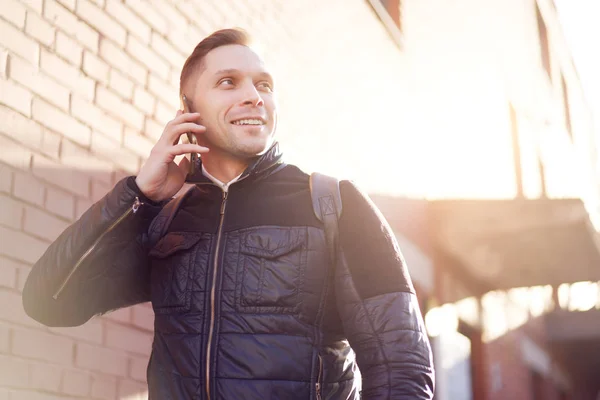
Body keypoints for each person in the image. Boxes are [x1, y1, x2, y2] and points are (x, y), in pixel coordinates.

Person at [22, 28, 434, 399]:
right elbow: (49, 300)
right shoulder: (165, 218)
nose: (254, 95)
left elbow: (403, 371)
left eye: (264, 85)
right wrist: (138, 196)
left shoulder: (335, 205)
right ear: (188, 109)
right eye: (227, 82)